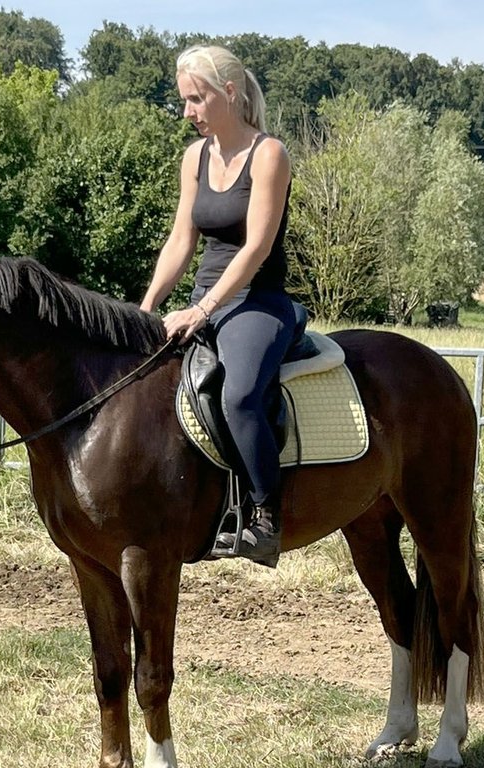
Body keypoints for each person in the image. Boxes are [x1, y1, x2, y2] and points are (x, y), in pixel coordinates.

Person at [140, 45, 297, 568]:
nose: (189, 111)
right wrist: (147, 309)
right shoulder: (195, 158)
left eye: (197, 99)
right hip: (201, 300)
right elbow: (180, 241)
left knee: (240, 394)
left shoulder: (268, 154)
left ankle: (264, 516)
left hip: (257, 302)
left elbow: (255, 248)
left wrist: (203, 310)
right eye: (185, 100)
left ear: (228, 93)